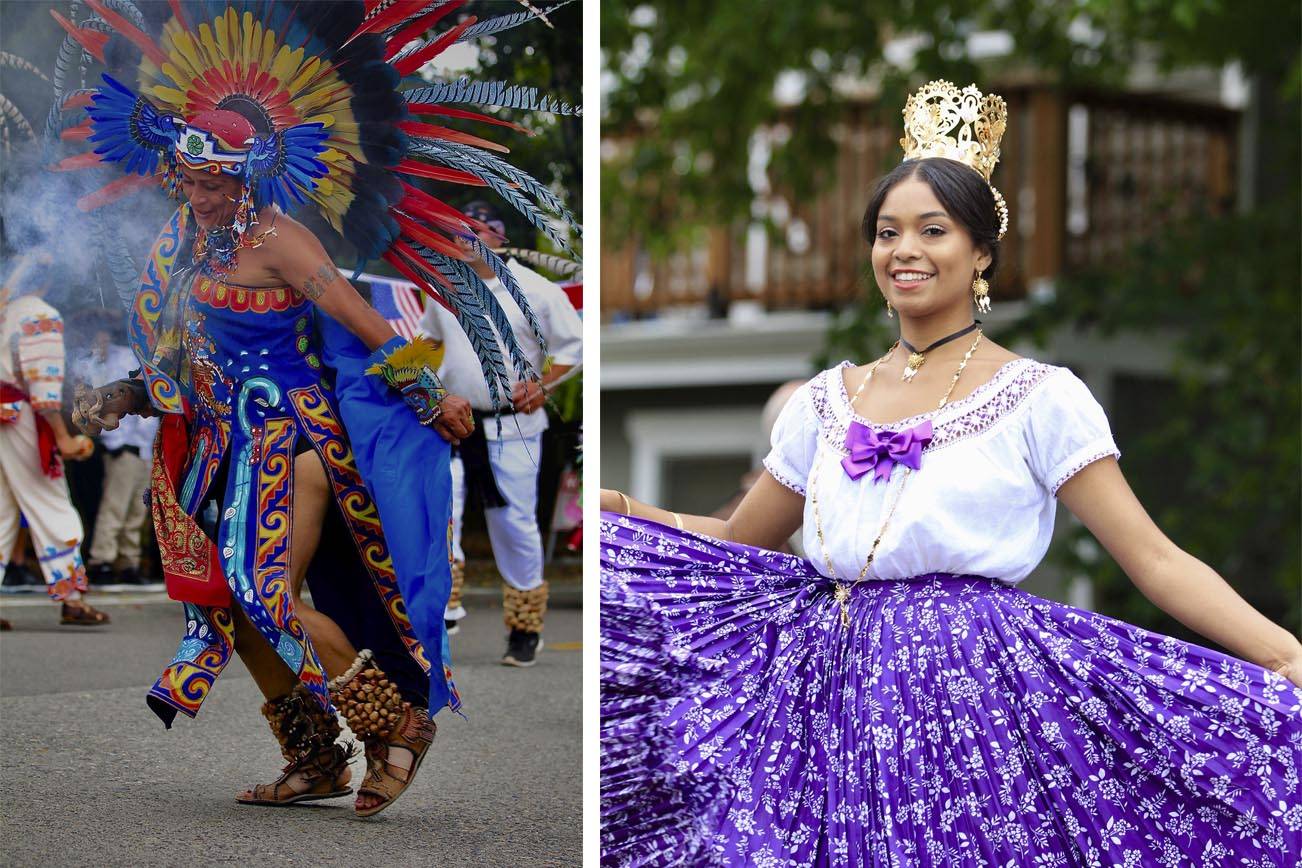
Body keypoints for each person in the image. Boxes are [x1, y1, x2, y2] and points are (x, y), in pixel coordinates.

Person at [599, 80, 1302, 865]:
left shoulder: (1039, 398)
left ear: (981, 253)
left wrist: (1285, 657)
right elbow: (739, 538)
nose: (905, 250)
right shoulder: (824, 402)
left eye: (933, 230)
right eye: (887, 232)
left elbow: (1155, 560)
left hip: (973, 702)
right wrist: (622, 509)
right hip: (824, 697)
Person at [60, 0, 576, 819]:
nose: (197, 194)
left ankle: (397, 727)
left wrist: (431, 393)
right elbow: (175, 361)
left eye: (213, 182)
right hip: (222, 446)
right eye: (188, 180)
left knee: (267, 595)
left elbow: (369, 326)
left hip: (294, 437)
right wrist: (117, 397)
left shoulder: (284, 241)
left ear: (247, 176)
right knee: (236, 608)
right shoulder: (182, 243)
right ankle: (313, 756)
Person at [420, 202, 583, 667]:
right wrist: (418, 381)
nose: (466, 239)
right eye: (458, 231)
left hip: (514, 426)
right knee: (440, 514)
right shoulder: (443, 289)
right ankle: (444, 612)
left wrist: (544, 384)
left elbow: (575, 344)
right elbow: (428, 340)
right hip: (454, 426)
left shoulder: (535, 290)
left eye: (477, 230)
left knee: (514, 524)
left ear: (498, 235)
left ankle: (525, 626)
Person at [0, 252, 104, 626]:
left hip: (4, 413)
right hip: (20, 418)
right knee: (51, 502)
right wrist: (62, 437)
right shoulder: (40, 315)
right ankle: (72, 597)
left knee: (1, 510)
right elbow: (43, 392)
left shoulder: (5, 310)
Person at [72, 323, 158, 585]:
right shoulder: (90, 363)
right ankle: (103, 560)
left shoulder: (128, 356)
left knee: (137, 508)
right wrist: (118, 444)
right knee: (115, 505)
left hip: (146, 445)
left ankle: (128, 561)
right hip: (123, 446)